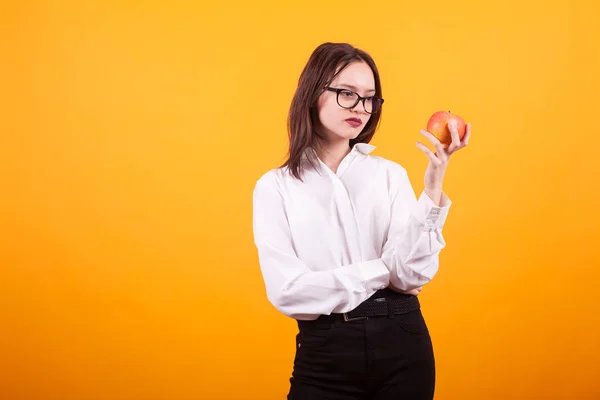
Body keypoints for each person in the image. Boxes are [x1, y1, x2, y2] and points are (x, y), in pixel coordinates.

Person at [252, 42, 470, 400]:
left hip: (404, 344)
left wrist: (433, 185)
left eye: (370, 98)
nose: (361, 108)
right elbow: (289, 292)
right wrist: (382, 271)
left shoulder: (390, 175)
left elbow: (413, 275)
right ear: (312, 92)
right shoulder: (275, 188)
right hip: (325, 354)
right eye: (347, 94)